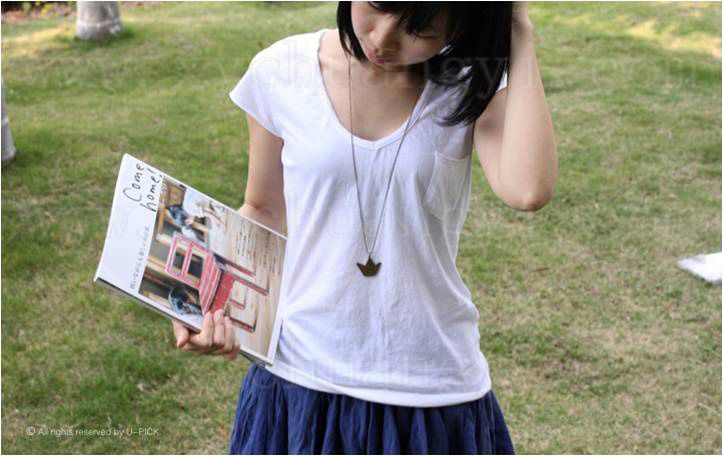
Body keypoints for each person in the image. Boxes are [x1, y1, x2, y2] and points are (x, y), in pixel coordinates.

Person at [172, 1, 557, 454]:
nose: (382, 38)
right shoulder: (282, 70)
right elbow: (263, 209)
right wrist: (206, 305)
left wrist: (519, 32)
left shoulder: (468, 86)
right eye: (378, 5)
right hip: (299, 378)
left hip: (430, 388)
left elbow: (528, 190)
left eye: (420, 29)